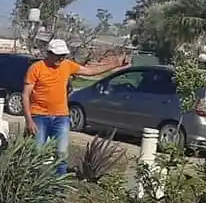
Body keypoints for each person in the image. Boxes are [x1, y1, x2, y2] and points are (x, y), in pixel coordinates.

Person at [22, 38, 127, 174]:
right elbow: (25, 95)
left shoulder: (67, 65)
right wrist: (29, 120)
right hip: (39, 116)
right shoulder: (36, 68)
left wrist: (114, 65)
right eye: (58, 55)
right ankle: (31, 184)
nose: (61, 58)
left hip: (61, 117)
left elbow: (90, 71)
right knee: (36, 152)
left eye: (63, 55)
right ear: (49, 53)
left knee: (61, 153)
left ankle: (58, 187)